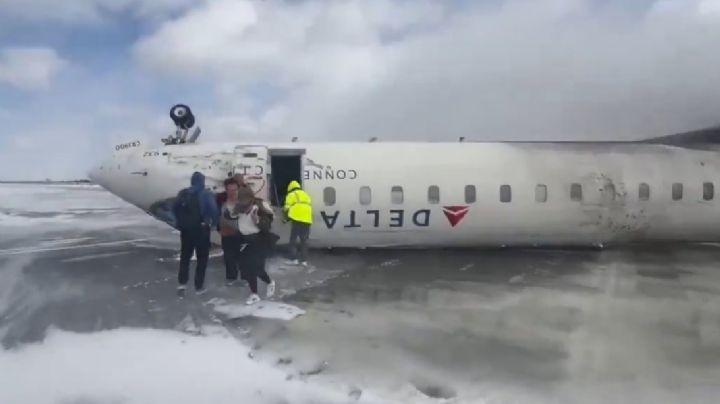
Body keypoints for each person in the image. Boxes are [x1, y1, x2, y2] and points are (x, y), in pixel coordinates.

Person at [172, 171, 219, 297]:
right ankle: (199, 286)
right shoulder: (205, 194)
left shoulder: (183, 193)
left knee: (185, 257)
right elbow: (213, 211)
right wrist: (213, 224)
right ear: (202, 181)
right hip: (201, 231)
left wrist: (180, 224)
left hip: (186, 232)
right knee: (202, 259)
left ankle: (182, 284)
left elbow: (174, 209)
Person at [236, 186, 276, 305]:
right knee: (247, 269)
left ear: (250, 198)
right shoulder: (240, 208)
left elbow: (267, 226)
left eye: (244, 200)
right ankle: (254, 294)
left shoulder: (258, 208)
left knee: (255, 268)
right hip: (246, 241)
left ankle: (269, 282)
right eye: (241, 200)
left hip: (259, 241)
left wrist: (257, 221)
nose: (243, 203)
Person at [218, 177, 243, 286]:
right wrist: (219, 228)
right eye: (230, 190)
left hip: (241, 234)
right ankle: (231, 278)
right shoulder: (221, 203)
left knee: (241, 257)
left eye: (234, 190)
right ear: (226, 190)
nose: (232, 193)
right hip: (227, 234)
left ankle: (244, 277)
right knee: (229, 257)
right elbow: (216, 216)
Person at [283, 180, 312, 266]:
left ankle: (294, 259)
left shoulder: (291, 195)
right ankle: (304, 261)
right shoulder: (306, 195)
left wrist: (285, 218)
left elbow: (286, 208)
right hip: (307, 219)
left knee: (293, 239)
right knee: (304, 240)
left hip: (297, 218)